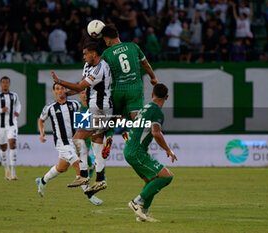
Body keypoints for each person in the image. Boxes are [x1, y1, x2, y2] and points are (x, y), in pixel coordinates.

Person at [51, 42, 112, 197]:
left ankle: (83, 175)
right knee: (96, 142)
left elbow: (81, 86)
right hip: (92, 108)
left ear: (94, 54)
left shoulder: (101, 68)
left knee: (78, 138)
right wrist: (68, 94)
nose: (84, 56)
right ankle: (100, 179)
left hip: (100, 108)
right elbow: (81, 88)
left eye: (86, 54)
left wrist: (60, 82)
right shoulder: (87, 66)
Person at [35, 83, 102, 204]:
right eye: (57, 89)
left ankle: (42, 180)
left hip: (74, 141)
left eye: (62, 88)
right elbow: (41, 119)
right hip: (62, 143)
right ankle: (89, 195)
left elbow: (82, 121)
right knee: (78, 165)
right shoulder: (50, 107)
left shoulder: (75, 105)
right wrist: (42, 133)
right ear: (54, 92)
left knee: (62, 168)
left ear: (66, 90)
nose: (60, 91)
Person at [100, 24, 158, 159]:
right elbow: (146, 64)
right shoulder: (133, 46)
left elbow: (100, 72)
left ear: (108, 40)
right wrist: (153, 78)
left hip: (117, 90)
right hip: (134, 89)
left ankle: (109, 138)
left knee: (113, 119)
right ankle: (142, 150)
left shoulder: (106, 54)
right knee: (137, 123)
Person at [124, 83, 177, 222]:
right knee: (167, 176)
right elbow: (156, 133)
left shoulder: (144, 108)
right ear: (167, 97)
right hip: (136, 152)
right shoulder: (157, 112)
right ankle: (136, 203)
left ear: (152, 94)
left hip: (132, 149)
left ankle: (143, 214)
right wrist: (167, 149)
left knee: (151, 180)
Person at [0, 76, 21, 180]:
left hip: (12, 124)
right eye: (3, 82)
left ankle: (13, 172)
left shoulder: (14, 95)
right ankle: (6, 169)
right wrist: (1, 110)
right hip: (0, 126)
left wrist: (17, 112)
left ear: (9, 84)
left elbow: (19, 104)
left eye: (7, 82)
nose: (5, 84)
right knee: (3, 147)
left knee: (12, 142)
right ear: (1, 84)